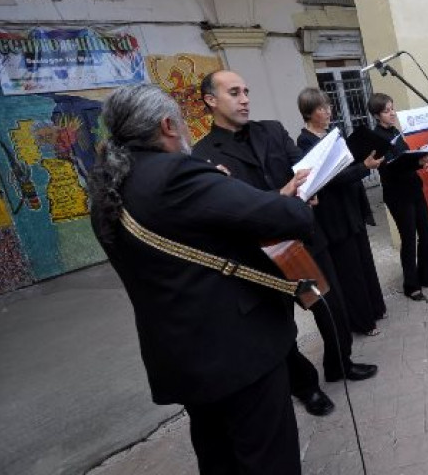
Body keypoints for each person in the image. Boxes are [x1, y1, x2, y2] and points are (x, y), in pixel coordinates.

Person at [89, 83, 311, 474]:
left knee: (218, 456)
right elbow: (282, 217)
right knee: (267, 456)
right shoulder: (175, 174)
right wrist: (292, 201)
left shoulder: (111, 187)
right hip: (235, 350)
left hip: (182, 354)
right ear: (167, 125)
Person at [194, 70, 378, 421]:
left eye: (246, 90)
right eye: (234, 92)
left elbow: (304, 170)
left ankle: (340, 364)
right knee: (282, 330)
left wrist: (308, 189)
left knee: (330, 307)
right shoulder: (204, 156)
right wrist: (283, 194)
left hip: (302, 241)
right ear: (211, 100)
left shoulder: (273, 131)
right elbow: (234, 208)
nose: (245, 98)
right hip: (259, 254)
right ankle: (306, 387)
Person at [296, 88, 387, 336]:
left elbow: (347, 163)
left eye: (328, 106)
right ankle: (361, 322)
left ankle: (374, 309)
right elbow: (329, 178)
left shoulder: (331, 135)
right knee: (350, 271)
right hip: (334, 215)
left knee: (364, 263)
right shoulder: (305, 142)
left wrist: (362, 160)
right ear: (308, 113)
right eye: (321, 108)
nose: (328, 111)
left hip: (351, 208)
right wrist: (363, 167)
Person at [368, 92, 428, 301]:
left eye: (392, 108)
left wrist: (420, 156)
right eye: (386, 111)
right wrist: (414, 162)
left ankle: (427, 275)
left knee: (427, 232)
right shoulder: (376, 138)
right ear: (376, 115)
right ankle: (411, 285)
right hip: (397, 194)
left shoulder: (394, 131)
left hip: (413, 187)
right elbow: (389, 167)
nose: (392, 113)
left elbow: (405, 154)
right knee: (409, 238)